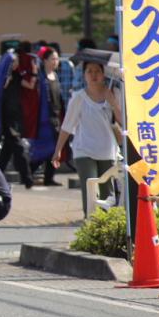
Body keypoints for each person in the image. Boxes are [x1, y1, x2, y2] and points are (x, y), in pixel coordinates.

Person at [51, 60, 121, 217]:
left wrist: (114, 103)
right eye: (89, 71)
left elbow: (123, 121)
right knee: (89, 187)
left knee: (107, 193)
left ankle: (105, 226)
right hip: (84, 149)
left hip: (108, 150)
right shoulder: (78, 98)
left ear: (104, 74)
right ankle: (89, 222)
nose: (93, 75)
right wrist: (58, 150)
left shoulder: (114, 94)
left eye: (97, 71)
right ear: (84, 75)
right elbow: (67, 126)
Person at [0, 51, 34, 188]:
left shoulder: (18, 76)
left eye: (16, 61)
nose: (15, 64)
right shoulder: (2, 77)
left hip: (16, 117)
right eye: (12, 61)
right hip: (6, 118)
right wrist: (6, 80)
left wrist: (34, 72)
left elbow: (30, 85)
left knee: (7, 150)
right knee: (18, 147)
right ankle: (28, 179)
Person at [32, 46, 64, 186]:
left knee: (54, 149)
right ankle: (28, 172)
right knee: (45, 148)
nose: (55, 61)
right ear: (44, 60)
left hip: (56, 117)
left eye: (57, 59)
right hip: (43, 119)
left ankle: (49, 178)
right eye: (53, 59)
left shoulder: (55, 76)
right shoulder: (40, 77)